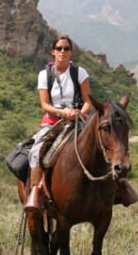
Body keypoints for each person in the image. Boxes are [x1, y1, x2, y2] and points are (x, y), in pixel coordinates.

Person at [23, 36, 92, 213]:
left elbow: (87, 102)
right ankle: (35, 193)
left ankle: (116, 189)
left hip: (77, 120)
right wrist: (63, 113)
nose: (62, 52)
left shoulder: (80, 73)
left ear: (71, 52)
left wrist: (79, 113)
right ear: (53, 51)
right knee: (36, 152)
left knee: (101, 144)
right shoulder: (44, 75)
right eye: (59, 48)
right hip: (53, 121)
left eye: (66, 48)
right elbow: (45, 105)